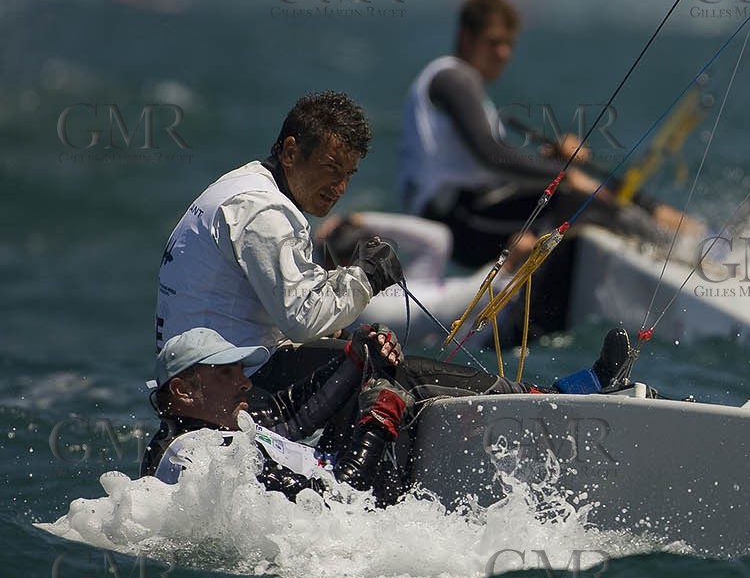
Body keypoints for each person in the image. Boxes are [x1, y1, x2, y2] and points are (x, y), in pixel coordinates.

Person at [154, 89, 562, 399]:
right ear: (291, 151)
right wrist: (366, 276)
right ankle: (533, 400)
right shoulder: (264, 212)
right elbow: (302, 320)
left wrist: (352, 288)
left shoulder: (248, 188)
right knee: (386, 367)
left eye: (348, 174)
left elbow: (309, 313)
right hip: (228, 383)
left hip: (215, 373)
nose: (339, 188)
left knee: (369, 353)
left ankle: (521, 395)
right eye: (331, 169)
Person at [397, 0, 696, 270]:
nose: (503, 53)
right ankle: (677, 250)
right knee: (574, 201)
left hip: (469, 212)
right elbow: (490, 156)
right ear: (466, 37)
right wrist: (562, 174)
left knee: (577, 190)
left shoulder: (458, 82)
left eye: (509, 44)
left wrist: (551, 164)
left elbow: (491, 161)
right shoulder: (454, 78)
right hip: (453, 222)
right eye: (494, 42)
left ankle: (679, 237)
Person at [140, 326, 413, 504]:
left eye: (240, 370)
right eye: (226, 373)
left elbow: (288, 414)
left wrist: (355, 357)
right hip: (355, 511)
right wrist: (378, 424)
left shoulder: (224, 423)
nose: (246, 383)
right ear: (183, 390)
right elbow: (335, 504)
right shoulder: (202, 455)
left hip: (347, 478)